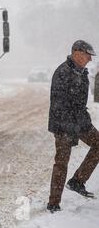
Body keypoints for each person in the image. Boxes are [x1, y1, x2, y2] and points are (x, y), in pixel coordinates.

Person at [47, 40, 99, 213]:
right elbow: (58, 105)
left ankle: (77, 181)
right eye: (87, 56)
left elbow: (79, 104)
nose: (90, 60)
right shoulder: (62, 72)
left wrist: (84, 122)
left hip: (79, 122)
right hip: (63, 126)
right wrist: (69, 128)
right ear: (77, 53)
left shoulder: (82, 73)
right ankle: (53, 203)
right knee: (61, 163)